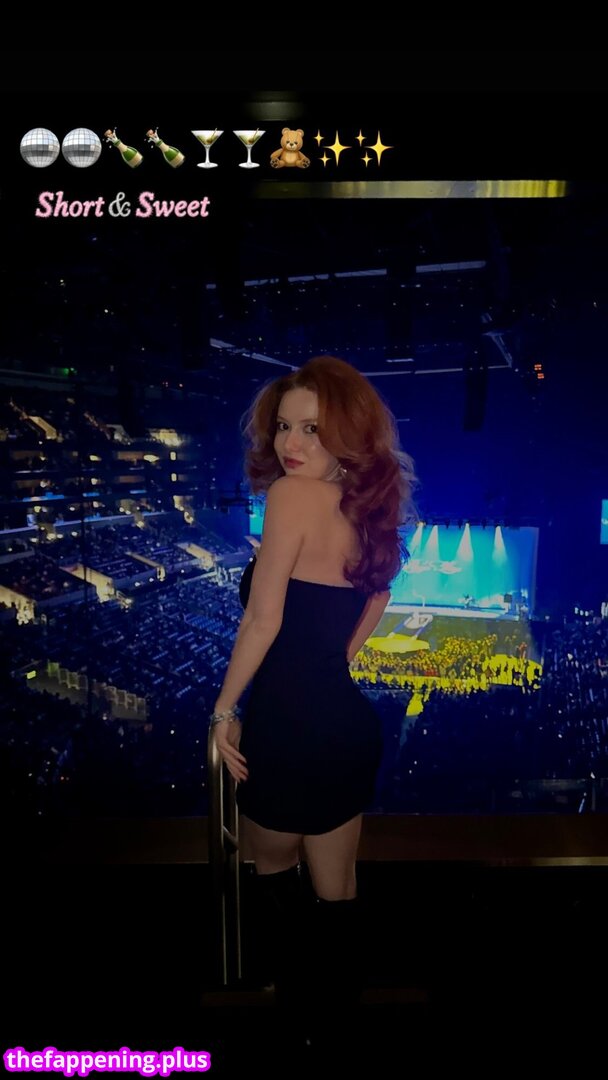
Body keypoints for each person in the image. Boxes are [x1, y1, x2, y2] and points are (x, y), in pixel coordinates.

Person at [210, 355, 416, 1052]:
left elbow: (262, 619)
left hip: (286, 731)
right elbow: (379, 596)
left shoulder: (291, 498)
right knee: (338, 896)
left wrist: (223, 711)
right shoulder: (367, 510)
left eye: (312, 429)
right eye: (283, 427)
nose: (290, 445)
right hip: (344, 728)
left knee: (274, 883)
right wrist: (335, 664)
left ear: (348, 434)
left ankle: (297, 1024)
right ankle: (334, 1033)